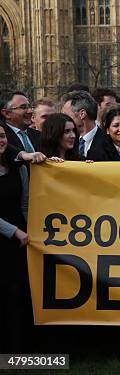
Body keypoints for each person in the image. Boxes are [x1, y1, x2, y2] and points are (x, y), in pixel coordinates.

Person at [0, 124, 32, 352]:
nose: (0, 141)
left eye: (1, 136)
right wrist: (14, 231)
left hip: (19, 243)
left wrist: (29, 227)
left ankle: (18, 349)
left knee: (18, 292)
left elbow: (25, 203)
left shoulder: (17, 167)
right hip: (7, 238)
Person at [61, 90, 106, 158]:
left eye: (65, 115)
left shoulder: (108, 143)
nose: (62, 119)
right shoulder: (64, 142)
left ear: (82, 114)